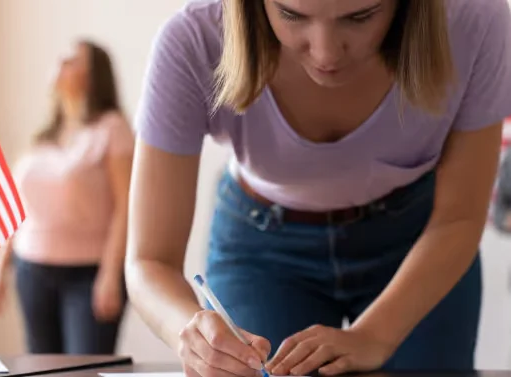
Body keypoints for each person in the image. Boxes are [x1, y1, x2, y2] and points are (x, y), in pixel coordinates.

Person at [125, 0, 511, 376]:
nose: (326, 54)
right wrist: (188, 332)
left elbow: (459, 217)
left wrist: (373, 335)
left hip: (421, 241)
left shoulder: (476, 18)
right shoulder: (192, 39)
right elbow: (149, 261)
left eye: (361, 16)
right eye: (291, 14)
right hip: (262, 250)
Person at [0, 39, 134, 355]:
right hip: (31, 271)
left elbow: (125, 207)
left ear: (94, 75)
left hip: (89, 275)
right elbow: (18, 209)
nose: (60, 63)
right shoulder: (42, 138)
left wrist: (110, 274)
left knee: (84, 371)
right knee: (40, 368)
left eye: (72, 60)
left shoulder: (112, 129)